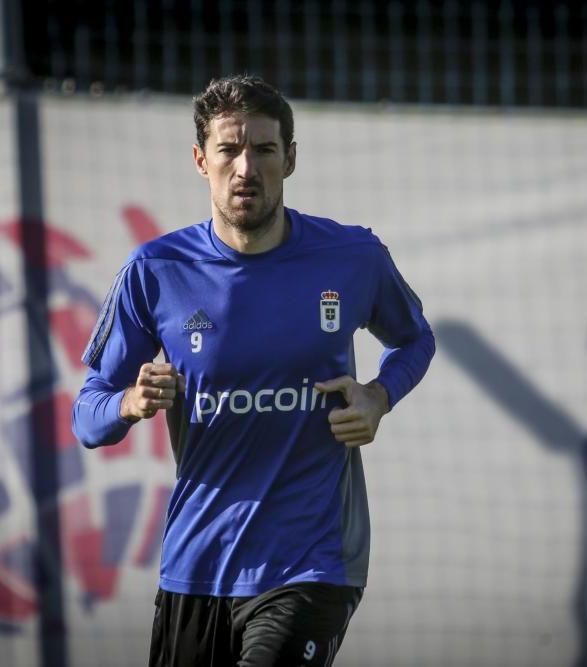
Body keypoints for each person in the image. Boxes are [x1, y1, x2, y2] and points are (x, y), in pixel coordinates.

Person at [72, 73, 434, 666]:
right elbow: (87, 416)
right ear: (200, 160)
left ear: (290, 159)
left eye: (264, 150)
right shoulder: (155, 270)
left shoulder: (352, 258)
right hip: (197, 568)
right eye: (229, 150)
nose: (246, 168)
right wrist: (129, 404)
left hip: (312, 561)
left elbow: (415, 339)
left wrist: (378, 395)